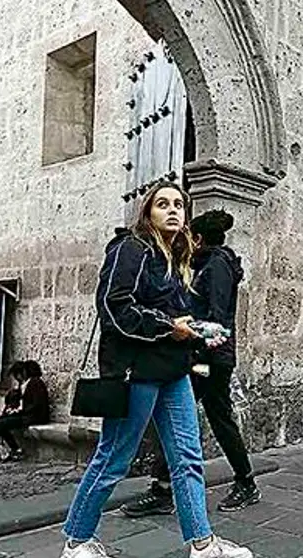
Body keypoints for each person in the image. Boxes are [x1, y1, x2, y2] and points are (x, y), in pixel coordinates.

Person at [61, 182, 252, 558]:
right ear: (148, 212)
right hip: (137, 371)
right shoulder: (129, 248)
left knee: (188, 458)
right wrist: (170, 326)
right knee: (115, 457)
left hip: (173, 369)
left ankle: (202, 544)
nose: (172, 210)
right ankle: (78, 541)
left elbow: (175, 312)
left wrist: (196, 332)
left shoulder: (177, 257)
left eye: (179, 204)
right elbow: (115, 307)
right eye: (162, 204)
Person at [121, 209, 260, 517]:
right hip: (202, 357)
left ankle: (169, 489)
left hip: (208, 360)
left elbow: (218, 319)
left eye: (188, 237)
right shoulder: (205, 265)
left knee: (198, 416)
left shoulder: (218, 266)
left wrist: (197, 349)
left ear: (197, 238)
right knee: (198, 416)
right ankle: (169, 488)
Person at [0, 361, 50, 464]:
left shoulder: (36, 383)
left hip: (34, 416)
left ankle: (16, 450)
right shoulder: (24, 385)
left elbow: (37, 404)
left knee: (1, 425)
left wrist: (19, 411)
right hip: (25, 414)